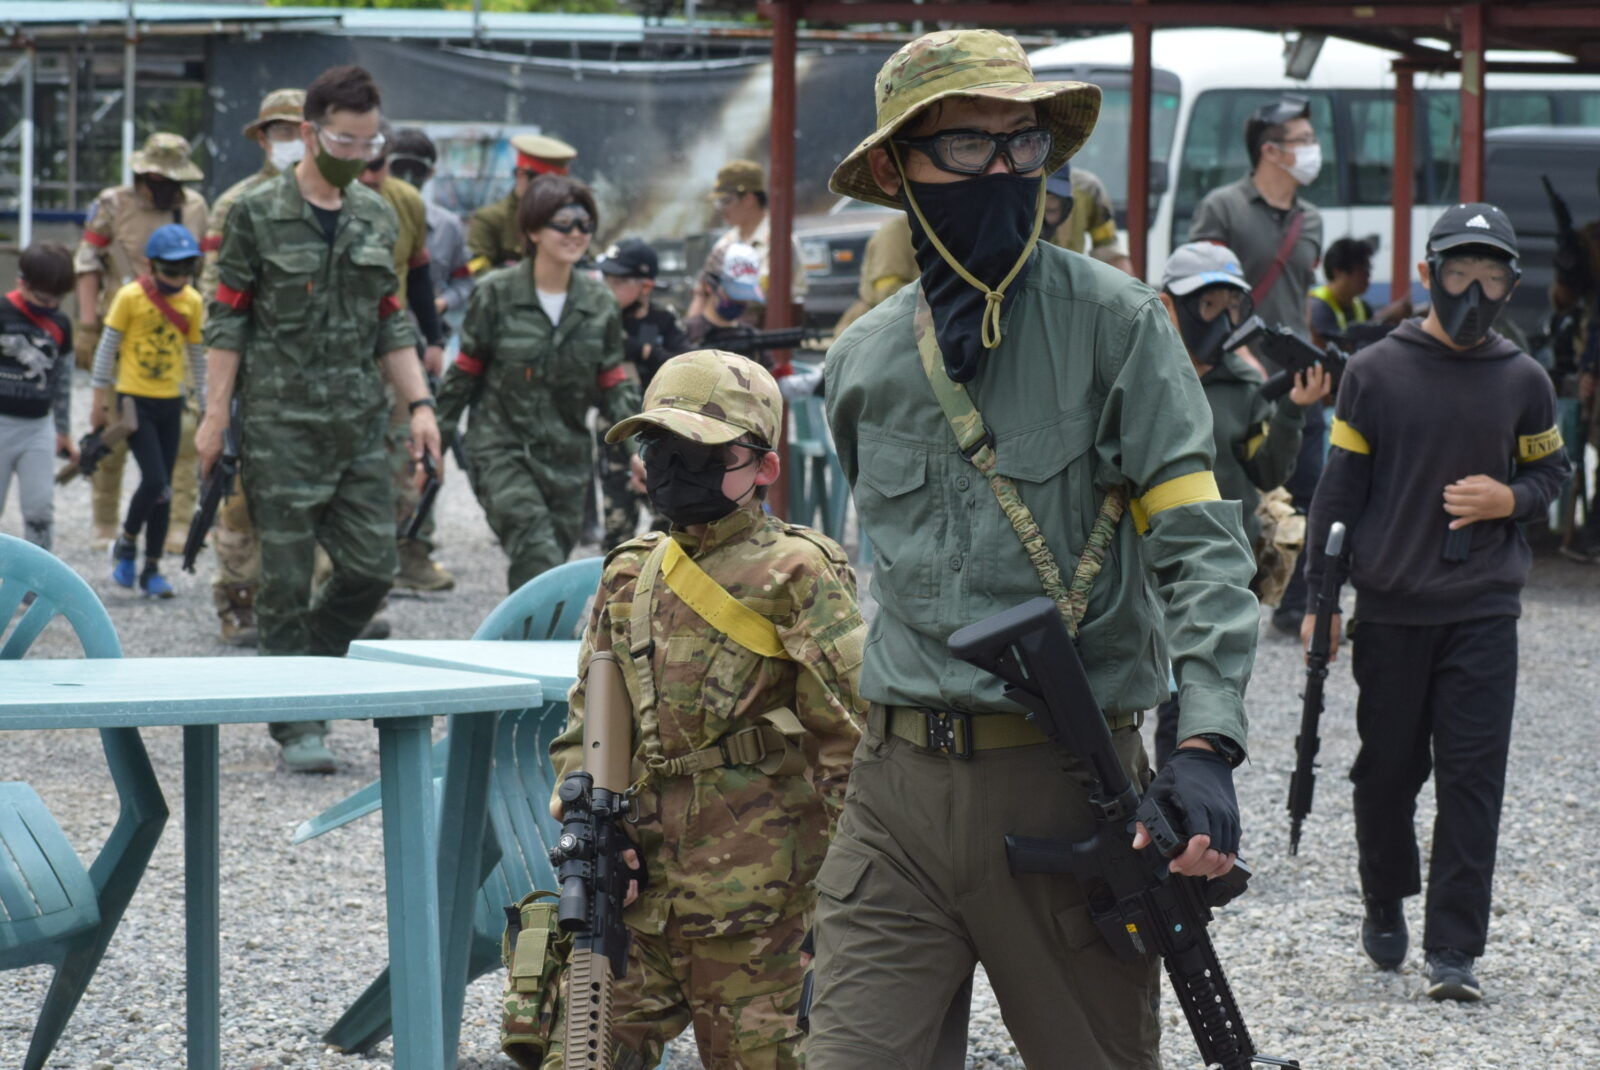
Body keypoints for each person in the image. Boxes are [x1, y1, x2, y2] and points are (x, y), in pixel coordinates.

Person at [813, 29, 1259, 1068]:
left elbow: (1197, 541)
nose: (1006, 172)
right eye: (969, 146)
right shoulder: (863, 361)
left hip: (1067, 789)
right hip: (893, 797)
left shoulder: (1119, 326)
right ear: (897, 170)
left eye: (1024, 146)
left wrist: (1205, 742)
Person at [547, 348, 865, 1069]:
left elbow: (852, 744)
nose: (674, 468)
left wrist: (848, 907)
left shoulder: (797, 573)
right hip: (634, 900)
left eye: (702, 453)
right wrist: (587, 822)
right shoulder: (630, 571)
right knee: (576, 1054)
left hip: (760, 912)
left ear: (763, 467)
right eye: (660, 449)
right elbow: (586, 722)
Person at [1303, 203, 1569, 1003]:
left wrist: (1510, 500)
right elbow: (1339, 491)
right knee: (1385, 774)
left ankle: (1454, 949)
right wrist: (1321, 599)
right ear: (1426, 275)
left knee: (1472, 779)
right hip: (1392, 606)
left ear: (1512, 285)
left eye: (1490, 277)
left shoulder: (1524, 380)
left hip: (1484, 608)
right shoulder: (1374, 372)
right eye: (1459, 274)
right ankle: (1384, 895)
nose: (1474, 293)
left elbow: (1551, 474)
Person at [197, 65, 440, 774]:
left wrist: (421, 405)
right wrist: (214, 416)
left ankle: (311, 664)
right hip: (280, 426)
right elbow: (228, 319)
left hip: (359, 425)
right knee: (285, 578)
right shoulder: (254, 212)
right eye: (345, 140)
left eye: (369, 143)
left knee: (372, 568)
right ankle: (298, 719)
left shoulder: (376, 215)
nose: (358, 154)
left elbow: (390, 320)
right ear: (309, 133)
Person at [1150, 241, 1330, 767]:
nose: (1221, 319)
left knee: (1196, 703)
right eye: (1207, 305)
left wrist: (1293, 411)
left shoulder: (1246, 382)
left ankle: (1186, 805)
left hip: (1218, 567)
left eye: (1231, 307)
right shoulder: (1142, 370)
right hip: (1147, 560)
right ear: (1169, 305)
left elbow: (1267, 471)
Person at [435, 174, 636, 592]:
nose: (576, 233)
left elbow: (614, 384)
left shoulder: (600, 303)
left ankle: (529, 633)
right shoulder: (496, 293)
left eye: (584, 223)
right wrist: (433, 443)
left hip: (566, 462)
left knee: (550, 575)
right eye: (563, 223)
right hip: (500, 450)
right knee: (536, 553)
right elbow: (464, 374)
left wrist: (641, 451)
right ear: (532, 230)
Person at [1188, 95, 1326, 636]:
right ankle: (1225, 596)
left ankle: (1296, 605)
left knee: (1309, 491)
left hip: (1297, 380)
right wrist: (1239, 357)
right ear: (1270, 150)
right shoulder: (1222, 207)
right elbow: (1200, 295)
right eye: (1303, 141)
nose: (1313, 150)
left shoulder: (1311, 219)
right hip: (1237, 383)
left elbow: (1301, 295)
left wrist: (1312, 356)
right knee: (1237, 494)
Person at [200, 87, 307, 646]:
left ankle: (306, 603)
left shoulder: (334, 200)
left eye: (299, 130)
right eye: (280, 131)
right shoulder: (236, 203)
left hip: (315, 380)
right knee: (239, 497)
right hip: (250, 377)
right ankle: (239, 603)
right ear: (263, 138)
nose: (291, 141)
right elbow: (214, 297)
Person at [74, 131, 209, 550]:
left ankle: (177, 524)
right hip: (122, 326)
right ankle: (104, 522)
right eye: (158, 179)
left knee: (183, 435)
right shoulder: (113, 203)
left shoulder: (195, 207)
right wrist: (87, 325)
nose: (166, 187)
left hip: (177, 332)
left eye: (174, 180)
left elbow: (204, 271)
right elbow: (87, 263)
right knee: (113, 431)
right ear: (142, 175)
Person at [358, 129, 454, 594]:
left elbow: (418, 278)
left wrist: (433, 341)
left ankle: (412, 552)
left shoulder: (405, 204)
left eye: (380, 165)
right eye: (364, 165)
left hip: (395, 346)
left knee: (413, 450)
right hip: (340, 352)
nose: (372, 176)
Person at [92, 224, 207, 598]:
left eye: (187, 268)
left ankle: (151, 568)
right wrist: (99, 402)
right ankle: (127, 542)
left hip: (171, 403)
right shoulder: (129, 297)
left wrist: (208, 406)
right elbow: (106, 350)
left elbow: (197, 356)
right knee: (154, 479)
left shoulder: (193, 302)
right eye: (171, 268)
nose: (179, 277)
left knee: (165, 489)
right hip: (134, 403)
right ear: (150, 265)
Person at [596, 237, 686, 548]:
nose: (610, 288)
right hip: (615, 429)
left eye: (619, 282)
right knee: (618, 524)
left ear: (646, 286)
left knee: (669, 524)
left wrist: (644, 351)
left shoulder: (663, 319)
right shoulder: (602, 319)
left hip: (661, 427)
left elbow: (683, 362)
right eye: (607, 280)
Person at [0, 243, 76, 550]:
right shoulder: (3, 313)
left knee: (40, 508)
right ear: (22, 282)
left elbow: (63, 382)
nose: (52, 305)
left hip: (37, 428)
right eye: (44, 299)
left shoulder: (60, 324)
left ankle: (38, 574)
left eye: (59, 299)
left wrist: (63, 431)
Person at [685, 160, 807, 328]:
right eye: (718, 203)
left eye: (726, 201)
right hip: (729, 328)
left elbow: (763, 292)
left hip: (769, 328)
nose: (721, 209)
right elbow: (704, 289)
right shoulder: (726, 242)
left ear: (749, 199)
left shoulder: (779, 241)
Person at [386, 127, 474, 320]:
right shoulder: (367, 218)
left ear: (430, 173)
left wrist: (442, 303)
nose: (407, 178)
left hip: (425, 328)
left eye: (416, 169)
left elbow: (464, 281)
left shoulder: (448, 227)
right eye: (400, 167)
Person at [467, 133, 577, 276]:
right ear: (521, 174)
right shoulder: (491, 219)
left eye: (556, 184)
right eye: (541, 183)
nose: (549, 191)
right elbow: (476, 267)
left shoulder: (572, 220)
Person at [1308, 236, 1411, 347]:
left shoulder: (1362, 307)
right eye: (1362, 268)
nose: (1367, 275)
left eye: (1369, 268)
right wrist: (1384, 316)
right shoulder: (1317, 307)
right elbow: (1339, 343)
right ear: (1338, 272)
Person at [1044, 163, 1135, 274]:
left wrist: (1127, 283)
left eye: (1050, 210)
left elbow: (1110, 252)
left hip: (1067, 277)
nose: (1041, 220)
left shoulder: (1086, 188)